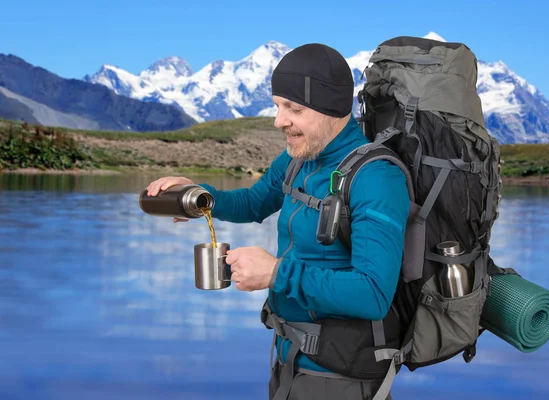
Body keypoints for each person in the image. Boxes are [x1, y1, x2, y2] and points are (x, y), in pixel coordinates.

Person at [145, 43, 410, 400]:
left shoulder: (376, 178)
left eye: (294, 109)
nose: (278, 120)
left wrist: (275, 273)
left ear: (331, 108)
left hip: (341, 378)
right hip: (289, 364)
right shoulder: (298, 159)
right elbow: (253, 203)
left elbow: (373, 294)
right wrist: (198, 196)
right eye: (277, 106)